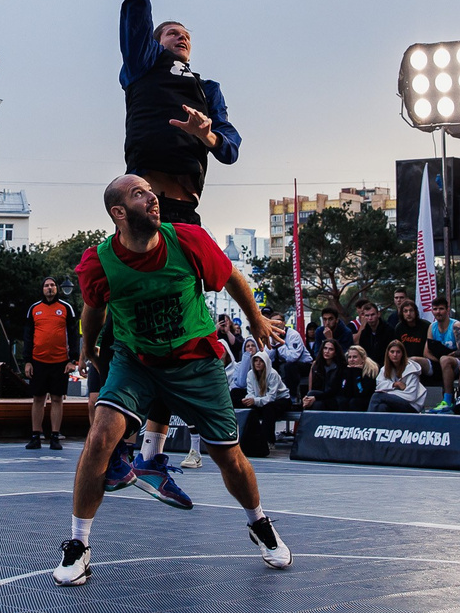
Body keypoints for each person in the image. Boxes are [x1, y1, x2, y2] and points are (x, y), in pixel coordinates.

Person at [58, 174, 289, 586]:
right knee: (100, 437)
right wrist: (87, 347)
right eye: (139, 193)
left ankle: (259, 522)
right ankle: (78, 544)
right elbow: (93, 306)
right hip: (137, 360)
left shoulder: (187, 240)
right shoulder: (99, 262)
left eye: (151, 190)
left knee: (229, 457)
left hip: (195, 360)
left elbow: (232, 278)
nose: (152, 198)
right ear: (118, 213)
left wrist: (256, 320)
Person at [117, 0, 241, 228]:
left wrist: (206, 134)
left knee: (203, 263)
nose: (181, 36)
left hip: (187, 211)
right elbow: (136, 0)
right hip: (146, 207)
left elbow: (230, 149)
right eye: (172, 32)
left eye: (186, 34)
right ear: (156, 42)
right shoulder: (144, 63)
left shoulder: (207, 89)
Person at [21, 277, 80, 450]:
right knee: (38, 399)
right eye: (46, 285)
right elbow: (28, 336)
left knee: (57, 398)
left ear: (57, 288)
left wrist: (73, 360)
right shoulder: (34, 309)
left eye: (52, 285)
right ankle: (35, 436)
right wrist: (27, 361)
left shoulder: (66, 308)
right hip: (38, 361)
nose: (49, 288)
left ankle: (55, 436)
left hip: (60, 362)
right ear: (42, 289)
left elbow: (74, 335)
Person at [235, 350, 294, 456]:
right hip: (261, 399)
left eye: (261, 361)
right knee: (238, 396)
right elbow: (250, 392)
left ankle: (268, 441)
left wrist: (254, 401)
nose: (258, 363)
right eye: (256, 361)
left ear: (266, 362)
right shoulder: (250, 374)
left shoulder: (273, 374)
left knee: (269, 408)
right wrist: (248, 400)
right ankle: (249, 439)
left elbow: (271, 397)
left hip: (281, 400)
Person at [369, 338, 425, 414]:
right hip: (395, 403)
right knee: (382, 407)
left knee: (377, 396)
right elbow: (379, 386)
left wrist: (387, 393)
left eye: (398, 352)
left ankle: (367, 420)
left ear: (402, 354)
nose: (395, 355)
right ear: (388, 354)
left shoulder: (412, 370)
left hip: (411, 405)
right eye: (392, 352)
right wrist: (394, 384)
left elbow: (411, 396)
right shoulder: (384, 369)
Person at [424, 295, 460, 399]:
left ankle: (447, 399)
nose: (438, 312)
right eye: (435, 309)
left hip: (455, 363)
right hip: (438, 361)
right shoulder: (432, 327)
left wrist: (448, 357)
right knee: (414, 360)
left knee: (445, 360)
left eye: (441, 309)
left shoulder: (456, 326)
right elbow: (426, 352)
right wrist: (439, 360)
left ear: (447, 310)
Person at [302, 338, 348, 411]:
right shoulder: (317, 365)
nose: (327, 351)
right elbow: (313, 387)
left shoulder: (341, 367)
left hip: (334, 397)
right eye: (325, 348)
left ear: (335, 352)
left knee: (315, 401)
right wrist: (307, 398)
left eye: (331, 349)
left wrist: (315, 398)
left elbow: (334, 391)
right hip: (321, 396)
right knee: (313, 398)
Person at [272, 316, 311, 397]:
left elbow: (292, 357)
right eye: (273, 322)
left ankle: (292, 396)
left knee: (289, 366)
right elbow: (267, 356)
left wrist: (279, 343)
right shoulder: (271, 335)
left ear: (284, 323)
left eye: (278, 321)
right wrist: (272, 343)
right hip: (282, 363)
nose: (276, 324)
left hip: (303, 364)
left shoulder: (293, 335)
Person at [352, 300, 396, 365]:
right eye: (367, 315)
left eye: (372, 315)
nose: (370, 318)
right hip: (369, 365)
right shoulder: (364, 332)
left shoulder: (389, 330)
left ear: (378, 314)